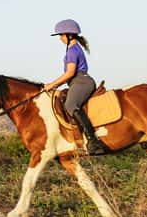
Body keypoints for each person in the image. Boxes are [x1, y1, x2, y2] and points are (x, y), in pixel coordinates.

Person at [42, 19, 108, 155]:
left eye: (61, 35)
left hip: (81, 82)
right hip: (76, 82)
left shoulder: (72, 50)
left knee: (70, 105)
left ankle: (93, 141)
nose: (60, 38)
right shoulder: (74, 48)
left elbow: (70, 73)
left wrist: (52, 85)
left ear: (70, 35)